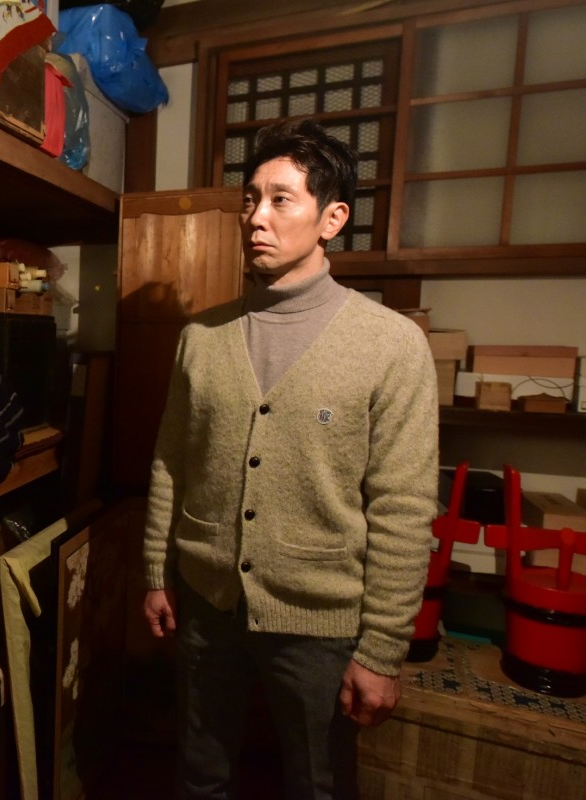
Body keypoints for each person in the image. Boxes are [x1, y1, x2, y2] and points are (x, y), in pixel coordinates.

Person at [141, 118, 438, 799]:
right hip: (207, 602)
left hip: (321, 622)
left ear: (332, 218)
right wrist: (158, 571)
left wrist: (382, 649)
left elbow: (403, 507)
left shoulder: (390, 345)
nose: (256, 217)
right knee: (199, 773)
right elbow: (170, 462)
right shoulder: (201, 337)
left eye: (281, 200)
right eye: (251, 199)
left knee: (319, 784)